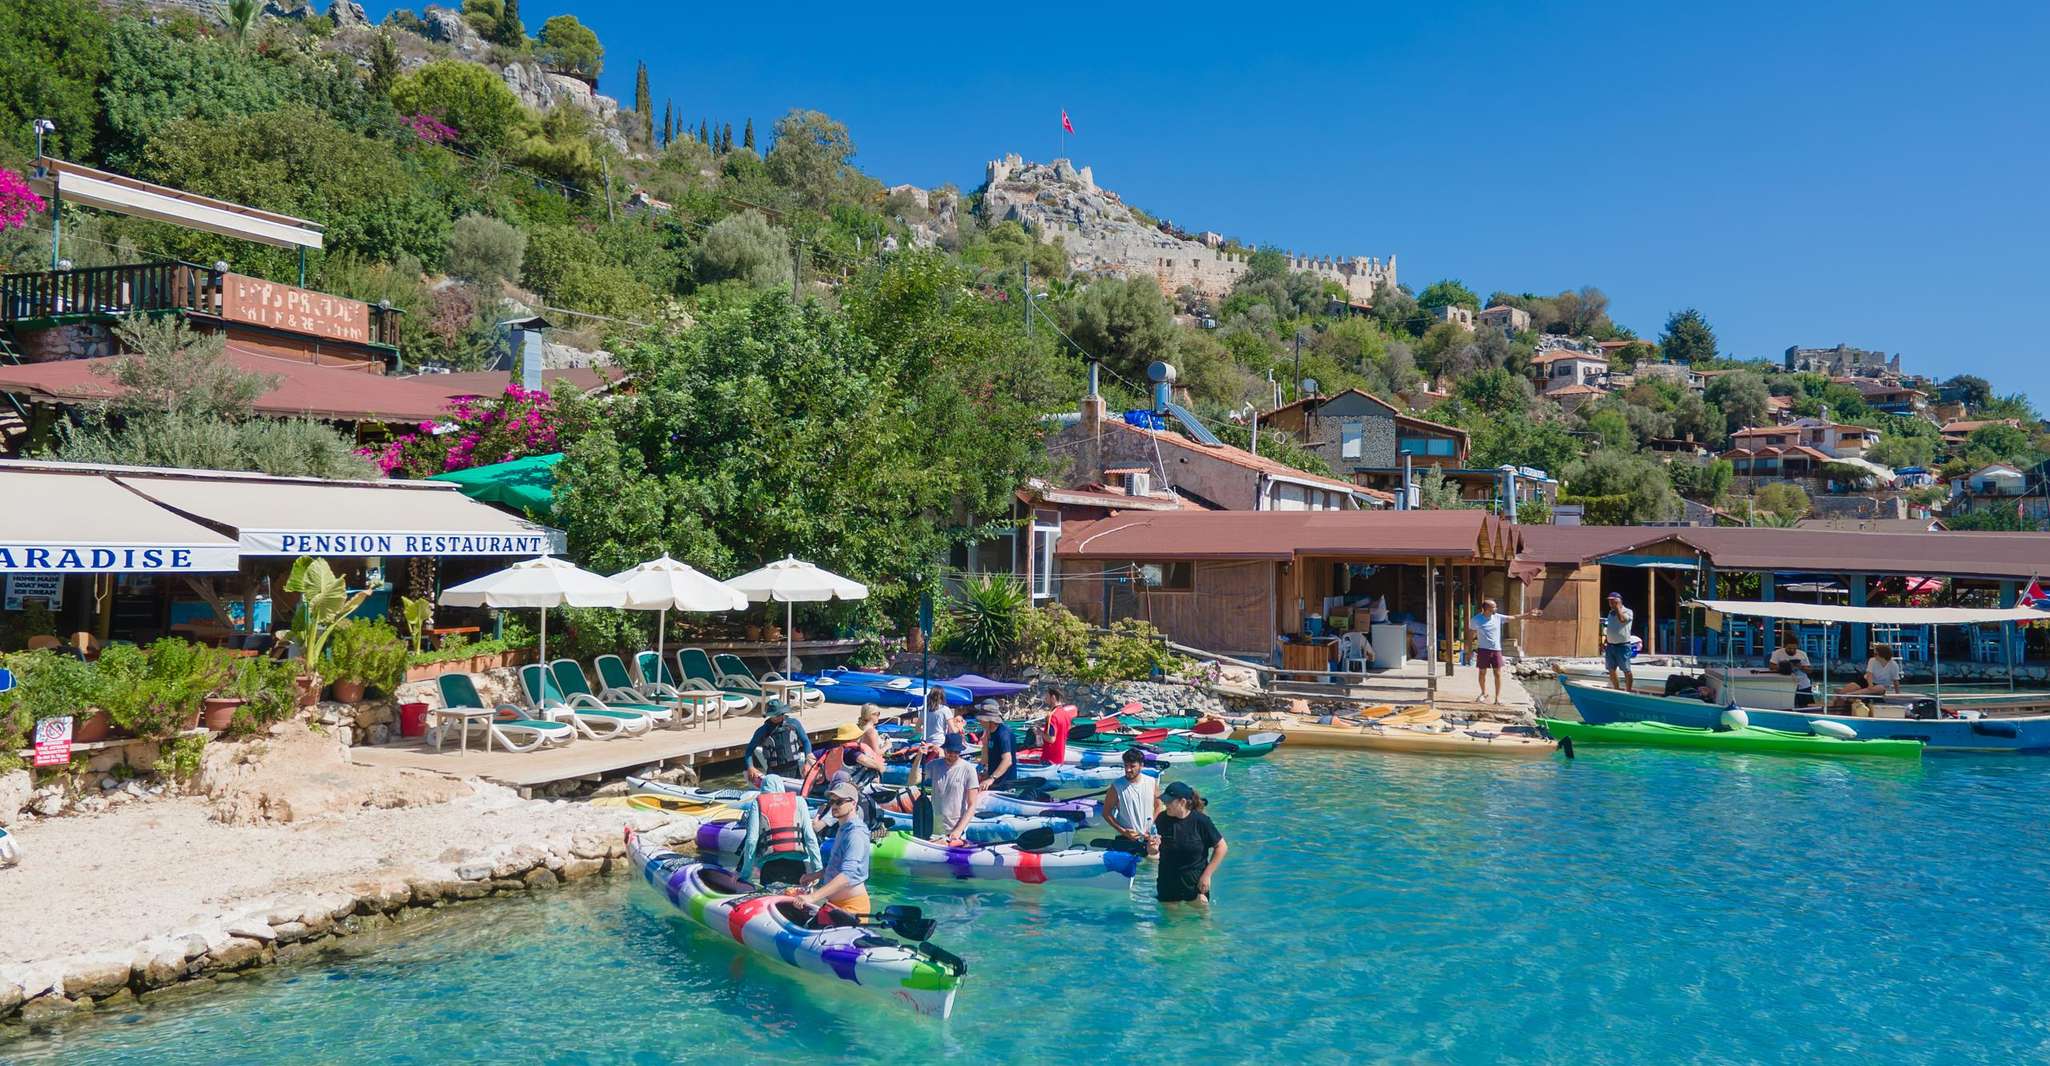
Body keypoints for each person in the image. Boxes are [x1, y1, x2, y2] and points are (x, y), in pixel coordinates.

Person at [791, 781, 872, 916]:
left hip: (852, 908)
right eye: (831, 802)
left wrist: (812, 897)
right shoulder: (843, 828)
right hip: (835, 906)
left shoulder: (856, 834)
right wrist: (815, 875)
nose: (833, 806)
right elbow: (836, 865)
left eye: (839, 802)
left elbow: (848, 875)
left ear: (853, 804)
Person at [735, 776, 822, 887]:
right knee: (795, 900)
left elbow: (751, 841)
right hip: (797, 866)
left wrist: (745, 874)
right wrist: (817, 869)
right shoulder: (799, 801)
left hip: (770, 868)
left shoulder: (757, 803)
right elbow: (810, 837)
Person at [1154, 781, 1227, 906]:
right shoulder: (1161, 819)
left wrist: (1207, 875)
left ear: (1182, 802)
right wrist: (1152, 847)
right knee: (1169, 924)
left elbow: (1222, 847)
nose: (1165, 804)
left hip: (1195, 884)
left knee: (1202, 923)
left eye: (1169, 801)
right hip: (1167, 883)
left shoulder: (1201, 821)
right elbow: (1154, 849)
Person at [1467, 597, 1537, 705]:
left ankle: (1497, 698)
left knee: (1498, 674)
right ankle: (1483, 693)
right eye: (1494, 606)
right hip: (1483, 650)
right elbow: (1471, 634)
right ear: (1486, 608)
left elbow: (1513, 617)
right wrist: (1469, 650)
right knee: (1482, 673)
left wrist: (1528, 614)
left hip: (1496, 650)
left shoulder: (1498, 617)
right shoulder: (1476, 620)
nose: (1496, 608)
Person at [925, 733, 982, 846]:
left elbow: (972, 805)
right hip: (935, 829)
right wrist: (918, 757)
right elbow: (912, 781)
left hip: (955, 831)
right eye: (949, 751)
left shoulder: (969, 770)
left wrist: (958, 830)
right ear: (944, 750)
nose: (952, 755)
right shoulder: (934, 765)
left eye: (956, 752)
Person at [1103, 747, 1159, 856]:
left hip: (1148, 837)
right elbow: (1106, 813)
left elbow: (1159, 806)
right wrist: (1123, 831)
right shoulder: (1116, 786)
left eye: (1132, 766)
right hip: (1126, 837)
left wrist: (1151, 826)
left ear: (1141, 765)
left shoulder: (1151, 782)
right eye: (1126, 766)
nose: (1128, 770)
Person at [744, 700, 813, 786]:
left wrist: (808, 761)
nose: (779, 717)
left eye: (781, 714)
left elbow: (806, 742)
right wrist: (750, 767)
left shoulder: (794, 724)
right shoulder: (763, 730)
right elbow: (749, 751)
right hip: (774, 772)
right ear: (770, 715)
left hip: (794, 770)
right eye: (776, 715)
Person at [975, 703, 1018, 789]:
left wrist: (991, 778)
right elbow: (987, 757)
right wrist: (983, 771)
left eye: (981, 719)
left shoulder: (1003, 734)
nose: (979, 721)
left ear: (990, 720)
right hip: (994, 781)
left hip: (1005, 785)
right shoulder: (989, 732)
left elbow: (1007, 760)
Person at [1601, 592, 1636, 691]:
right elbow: (1611, 628)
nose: (1610, 603)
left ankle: (1628, 690)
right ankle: (1616, 688)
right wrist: (1606, 642)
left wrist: (1617, 608)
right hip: (1611, 646)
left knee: (1626, 669)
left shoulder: (1628, 611)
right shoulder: (1610, 613)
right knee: (1611, 669)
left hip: (1623, 646)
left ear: (1619, 601)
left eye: (1613, 601)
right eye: (1609, 601)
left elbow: (1622, 620)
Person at [1039, 687, 1078, 767]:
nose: (1046, 700)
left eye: (1047, 698)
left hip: (1049, 758)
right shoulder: (1065, 714)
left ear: (1053, 698)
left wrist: (1039, 732)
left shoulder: (1052, 716)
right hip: (1060, 758)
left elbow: (1051, 739)